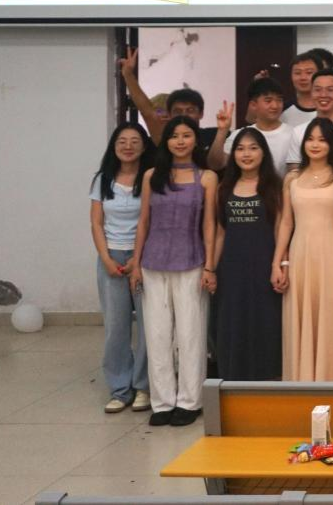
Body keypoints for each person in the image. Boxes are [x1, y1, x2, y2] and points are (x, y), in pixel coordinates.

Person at [128, 116, 217, 426]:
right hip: (152, 263)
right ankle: (162, 402)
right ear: (165, 141)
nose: (180, 141)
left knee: (191, 334)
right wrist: (135, 263)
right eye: (174, 136)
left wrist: (210, 266)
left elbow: (209, 225)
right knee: (156, 334)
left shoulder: (207, 177)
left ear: (196, 140)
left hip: (192, 262)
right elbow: (143, 222)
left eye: (186, 135)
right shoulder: (152, 175)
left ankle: (190, 401)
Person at [273, 119, 333, 381]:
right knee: (301, 316)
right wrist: (278, 263)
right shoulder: (292, 178)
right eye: (310, 139)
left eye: (322, 139)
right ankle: (302, 383)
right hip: (300, 254)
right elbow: (286, 223)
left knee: (331, 316)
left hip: (332, 253)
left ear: (331, 144)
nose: (315, 145)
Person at [89, 123, 154, 414]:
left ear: (144, 146)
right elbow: (96, 223)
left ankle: (143, 387)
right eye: (122, 141)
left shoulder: (151, 178)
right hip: (111, 257)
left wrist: (137, 260)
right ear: (114, 146)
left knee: (148, 326)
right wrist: (106, 259)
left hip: (144, 257)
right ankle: (120, 389)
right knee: (116, 327)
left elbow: (152, 221)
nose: (128, 146)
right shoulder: (102, 179)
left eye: (135, 141)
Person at [212, 127, 284, 381]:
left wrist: (280, 265)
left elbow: (280, 229)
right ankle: (234, 381)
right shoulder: (224, 187)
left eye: (253, 148)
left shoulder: (275, 187)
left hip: (264, 266)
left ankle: (268, 382)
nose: (246, 154)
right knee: (233, 322)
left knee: (266, 322)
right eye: (240, 149)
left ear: (264, 153)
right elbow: (220, 232)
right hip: (232, 268)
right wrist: (211, 268)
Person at [116, 47, 218, 147]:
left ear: (201, 113)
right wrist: (128, 75)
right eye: (178, 111)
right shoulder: (165, 139)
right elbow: (147, 112)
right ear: (170, 115)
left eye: (190, 110)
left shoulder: (214, 136)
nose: (184, 115)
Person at [208, 76, 295, 172]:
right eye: (268, 101)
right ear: (253, 105)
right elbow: (215, 165)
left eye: (279, 100)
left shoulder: (295, 134)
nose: (275, 106)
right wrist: (222, 131)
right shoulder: (240, 135)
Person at [281, 51, 325, 128]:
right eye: (297, 73)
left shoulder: (332, 109)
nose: (303, 78)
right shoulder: (282, 110)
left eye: (309, 72)